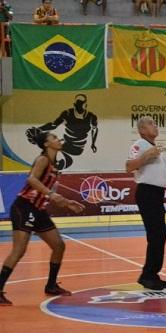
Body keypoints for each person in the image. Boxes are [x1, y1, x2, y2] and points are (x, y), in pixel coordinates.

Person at [0, 132, 85, 306]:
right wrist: (52, 195)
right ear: (47, 144)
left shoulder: (55, 165)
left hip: (38, 209)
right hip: (24, 206)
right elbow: (31, 179)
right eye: (54, 138)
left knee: (59, 245)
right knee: (19, 250)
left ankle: (51, 285)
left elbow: (49, 193)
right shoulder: (43, 159)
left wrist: (68, 203)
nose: (58, 139)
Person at [126, 116, 166, 290]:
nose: (155, 126)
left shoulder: (153, 148)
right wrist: (146, 156)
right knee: (157, 234)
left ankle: (152, 274)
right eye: (151, 124)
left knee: (159, 234)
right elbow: (129, 166)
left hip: (156, 194)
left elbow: (149, 168)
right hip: (148, 193)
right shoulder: (139, 145)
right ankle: (147, 275)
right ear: (142, 130)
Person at [26, 94, 98, 170]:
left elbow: (94, 129)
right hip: (66, 143)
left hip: (78, 147)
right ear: (74, 105)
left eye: (82, 104)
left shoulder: (91, 116)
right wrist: (39, 129)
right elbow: (53, 125)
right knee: (50, 149)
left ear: (85, 105)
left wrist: (93, 143)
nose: (80, 106)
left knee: (53, 150)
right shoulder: (67, 114)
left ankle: (57, 164)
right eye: (78, 104)